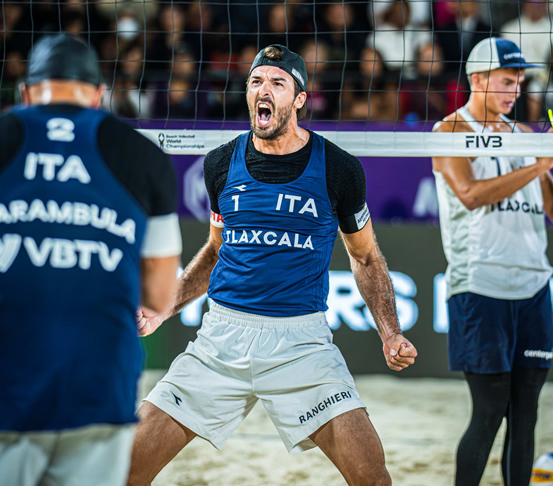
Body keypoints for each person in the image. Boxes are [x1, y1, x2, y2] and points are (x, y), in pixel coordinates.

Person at [129, 44, 417, 486]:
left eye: (278, 83)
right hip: (220, 341)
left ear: (299, 99)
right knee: (126, 467)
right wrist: (165, 305)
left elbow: (365, 256)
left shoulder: (339, 169)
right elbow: (214, 251)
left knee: (373, 477)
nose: (264, 90)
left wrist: (390, 331)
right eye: (256, 82)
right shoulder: (221, 164)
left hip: (301, 345)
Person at [0, 34, 181, 486]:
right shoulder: (146, 157)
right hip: (101, 390)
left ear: (27, 92)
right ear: (97, 95)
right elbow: (158, 294)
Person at [431, 37, 553, 486]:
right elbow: (470, 196)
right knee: (490, 411)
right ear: (478, 80)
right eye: (506, 81)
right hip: (480, 287)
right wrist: (536, 164)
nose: (515, 90)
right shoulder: (450, 131)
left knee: (525, 414)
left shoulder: (525, 136)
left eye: (519, 82)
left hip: (533, 289)